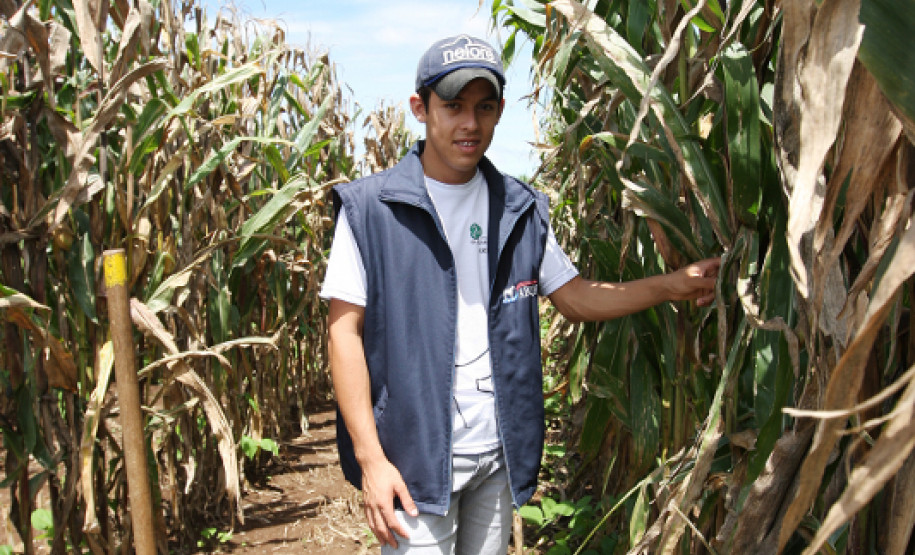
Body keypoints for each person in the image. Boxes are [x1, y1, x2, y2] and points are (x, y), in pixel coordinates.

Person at [320, 34, 721, 554]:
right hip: (414, 460)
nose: (470, 124)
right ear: (421, 108)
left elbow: (575, 296)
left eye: (484, 108)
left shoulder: (520, 208)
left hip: (498, 453)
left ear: (500, 110)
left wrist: (673, 285)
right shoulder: (371, 210)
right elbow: (343, 332)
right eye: (453, 106)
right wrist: (372, 460)